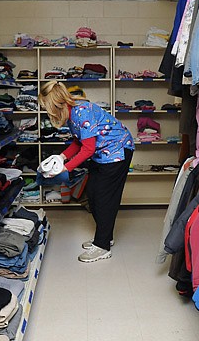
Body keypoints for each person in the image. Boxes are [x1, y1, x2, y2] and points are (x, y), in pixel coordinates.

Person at [38, 81, 134, 263]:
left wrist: (65, 168)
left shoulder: (81, 112)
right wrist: (61, 157)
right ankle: (105, 236)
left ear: (56, 103)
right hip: (103, 154)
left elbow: (88, 149)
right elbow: (78, 142)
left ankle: (103, 246)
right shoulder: (71, 113)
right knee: (92, 194)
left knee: (105, 198)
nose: (47, 112)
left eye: (46, 107)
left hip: (117, 151)